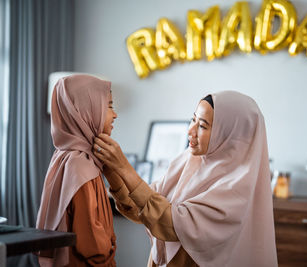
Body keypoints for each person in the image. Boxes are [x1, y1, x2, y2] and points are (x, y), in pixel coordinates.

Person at [94, 91, 278, 267]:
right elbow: (140, 208)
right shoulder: (186, 163)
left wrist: (124, 168)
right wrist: (112, 171)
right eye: (193, 120)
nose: (190, 130)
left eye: (203, 126)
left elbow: (170, 224)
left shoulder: (238, 188)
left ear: (231, 136)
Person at [36, 74, 118, 267]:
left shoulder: (64, 156)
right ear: (86, 111)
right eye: (110, 106)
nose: (115, 115)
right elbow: (91, 244)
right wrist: (110, 247)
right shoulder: (81, 165)